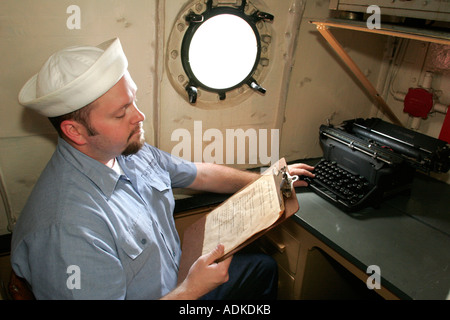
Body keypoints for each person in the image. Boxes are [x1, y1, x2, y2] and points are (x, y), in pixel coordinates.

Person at [11, 38, 314, 299]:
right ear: (75, 132)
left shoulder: (126, 150)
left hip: (180, 278)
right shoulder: (67, 231)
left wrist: (266, 180)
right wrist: (191, 291)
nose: (139, 116)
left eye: (134, 101)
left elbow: (200, 173)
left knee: (263, 267)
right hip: (180, 293)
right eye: (121, 113)